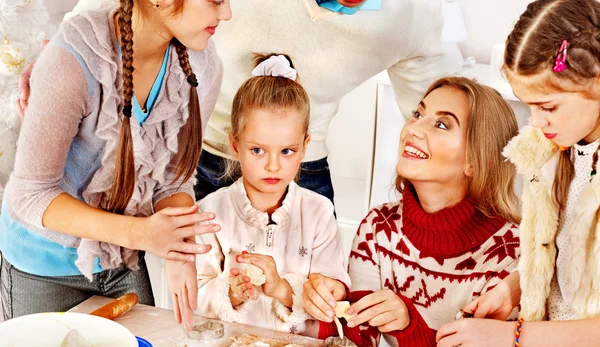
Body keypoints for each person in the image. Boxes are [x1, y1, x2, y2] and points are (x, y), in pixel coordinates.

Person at [18, 0, 450, 206]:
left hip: (299, 169)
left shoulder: (416, 17)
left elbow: (451, 113)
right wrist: (67, 46)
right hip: (194, 151)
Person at [0, 0, 231, 330]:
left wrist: (180, 250)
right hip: (42, 267)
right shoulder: (74, 59)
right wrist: (141, 234)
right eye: (216, 1)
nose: (227, 14)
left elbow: (174, 180)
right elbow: (30, 195)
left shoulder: (203, 67)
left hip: (123, 259)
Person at [436, 0, 600, 347]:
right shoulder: (557, 148)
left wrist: (513, 337)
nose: (535, 123)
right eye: (529, 106)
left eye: (548, 107)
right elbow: (561, 253)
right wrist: (513, 288)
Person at [305, 77, 521, 347]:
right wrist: (318, 303)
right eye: (418, 114)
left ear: (476, 160)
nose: (413, 128)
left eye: (442, 124)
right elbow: (355, 346)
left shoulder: (512, 251)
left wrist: (409, 326)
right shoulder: (378, 228)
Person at [193, 54, 350, 334]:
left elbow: (333, 295)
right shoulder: (209, 213)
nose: (273, 165)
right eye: (258, 150)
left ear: (305, 147)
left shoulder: (318, 212)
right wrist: (231, 293)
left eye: (287, 151)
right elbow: (194, 294)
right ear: (235, 144)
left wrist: (282, 288)